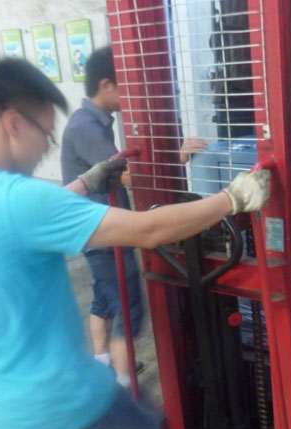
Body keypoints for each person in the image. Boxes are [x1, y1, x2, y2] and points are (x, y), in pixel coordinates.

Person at [0, 58, 270, 429]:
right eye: (46, 134)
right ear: (13, 124)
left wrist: (87, 181)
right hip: (55, 402)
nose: (46, 148)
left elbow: (24, 222)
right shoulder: (22, 199)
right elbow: (148, 229)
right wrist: (232, 199)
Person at [61, 47, 206, 388]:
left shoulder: (91, 122)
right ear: (106, 84)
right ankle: (124, 390)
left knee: (104, 298)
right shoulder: (86, 127)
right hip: (104, 233)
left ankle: (102, 366)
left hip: (93, 231)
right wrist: (178, 156)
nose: (132, 94)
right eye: (126, 85)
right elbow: (125, 174)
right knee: (130, 309)